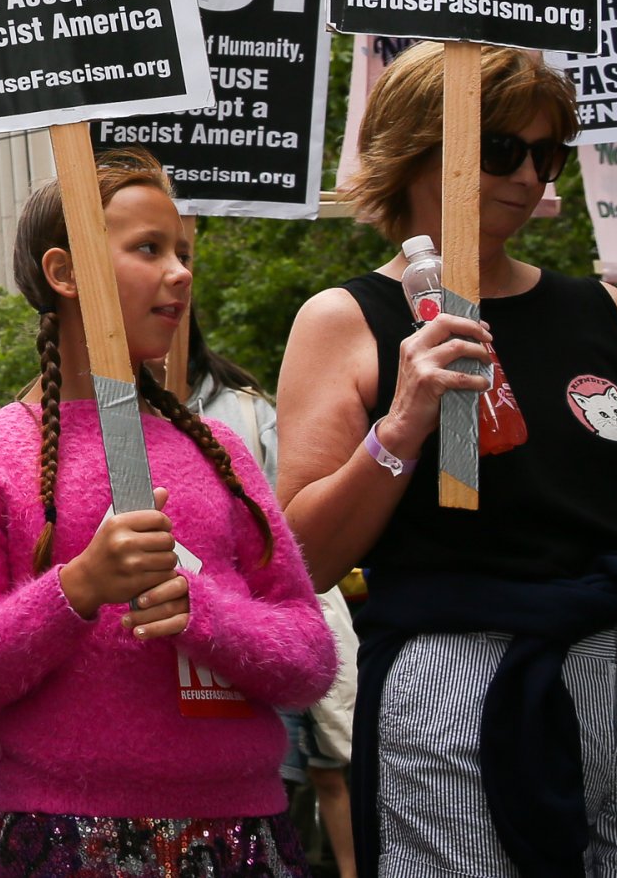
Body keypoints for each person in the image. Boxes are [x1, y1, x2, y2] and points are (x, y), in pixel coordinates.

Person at [274, 43, 617, 875]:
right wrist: (402, 426)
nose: (529, 175)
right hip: (460, 676)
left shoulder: (604, 308)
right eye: (502, 148)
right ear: (420, 148)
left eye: (547, 151)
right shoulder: (346, 318)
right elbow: (304, 552)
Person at [0, 149, 335, 876]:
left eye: (183, 251)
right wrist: (77, 585)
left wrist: (202, 610)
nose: (180, 272)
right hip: (65, 839)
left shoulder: (224, 453)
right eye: (149, 248)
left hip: (242, 835)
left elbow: (309, 658)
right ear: (65, 272)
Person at [183, 323, 358, 878]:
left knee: (280, 789)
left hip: (260, 629)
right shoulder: (105, 418)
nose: (174, 276)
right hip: (164, 636)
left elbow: (291, 527)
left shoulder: (245, 410)